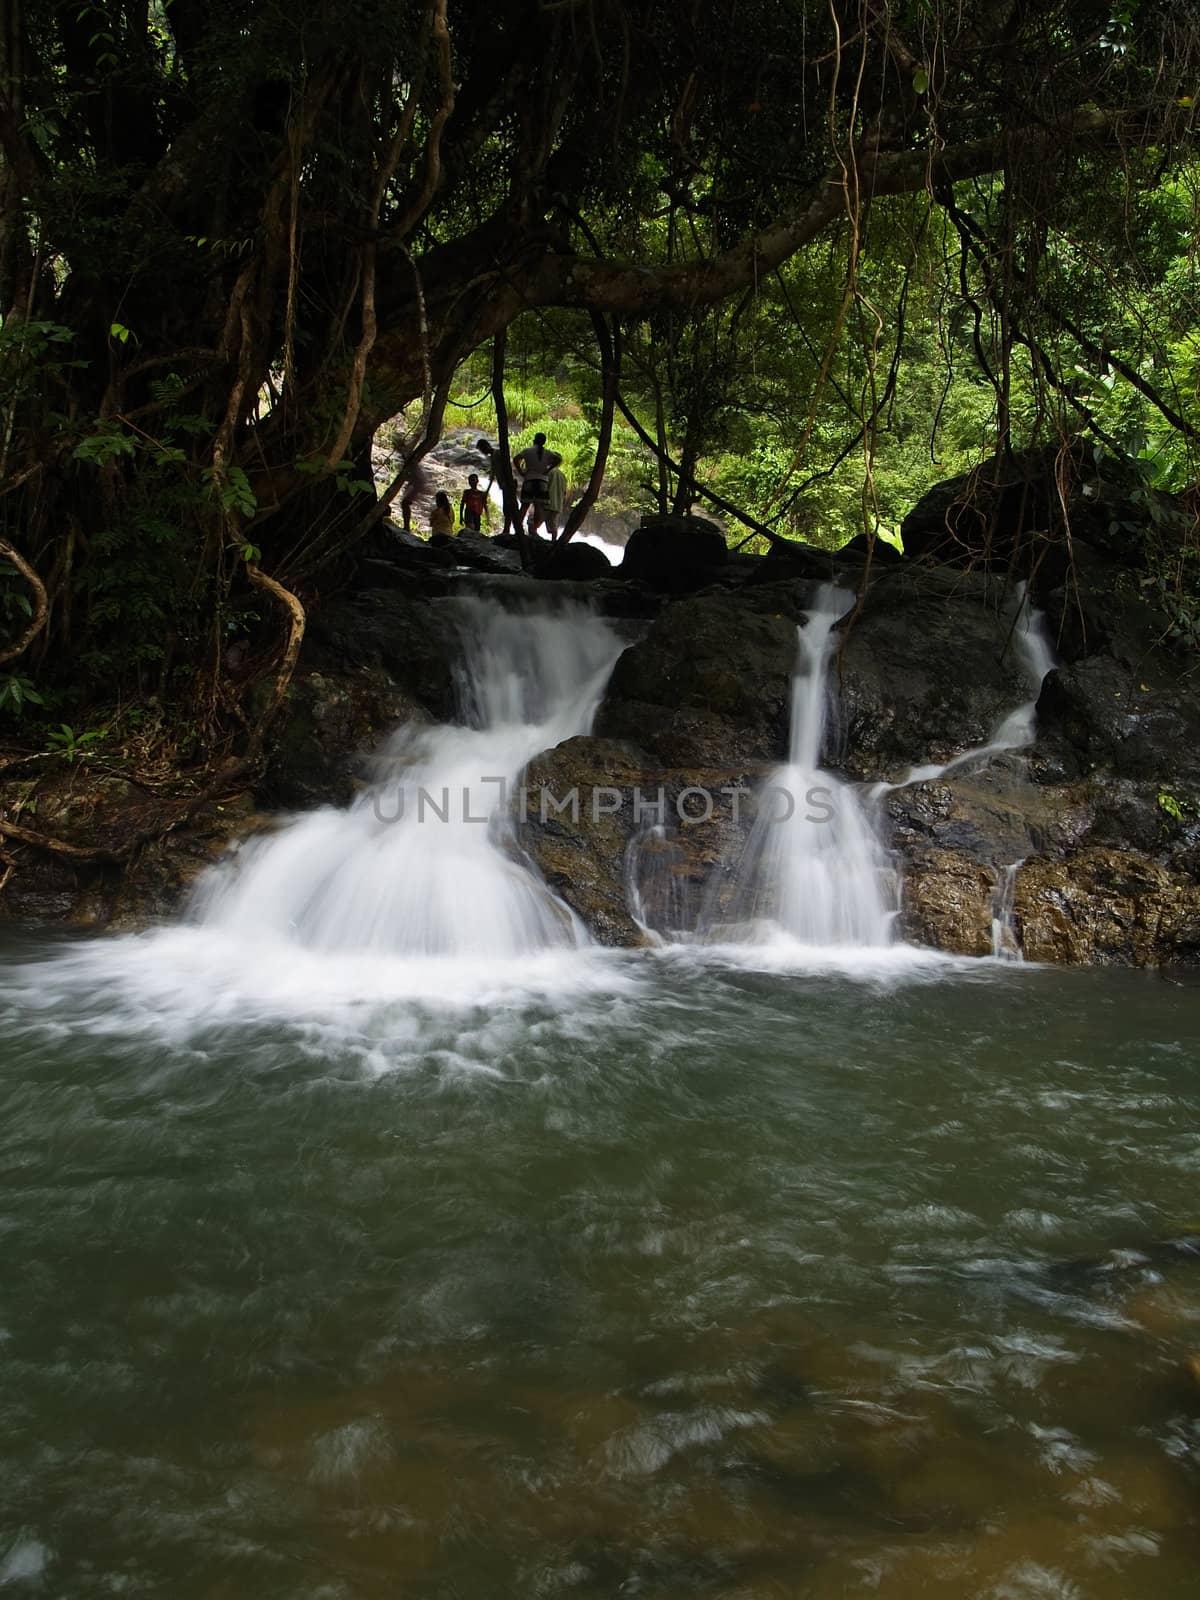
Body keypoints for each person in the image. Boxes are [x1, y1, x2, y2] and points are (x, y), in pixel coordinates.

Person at [512, 432, 562, 538]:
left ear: (534, 440)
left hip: (529, 479)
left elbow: (516, 459)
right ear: (544, 442)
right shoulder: (548, 452)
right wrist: (548, 469)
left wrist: (521, 472)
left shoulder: (527, 451)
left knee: (524, 506)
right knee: (538, 506)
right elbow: (558, 460)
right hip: (542, 481)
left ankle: (518, 529)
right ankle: (534, 530)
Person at [544, 462, 568, 538]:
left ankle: (531, 541)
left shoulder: (548, 472)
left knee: (533, 523)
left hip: (546, 503)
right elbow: (564, 492)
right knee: (553, 526)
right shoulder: (563, 476)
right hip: (557, 505)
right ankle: (553, 543)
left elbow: (543, 486)